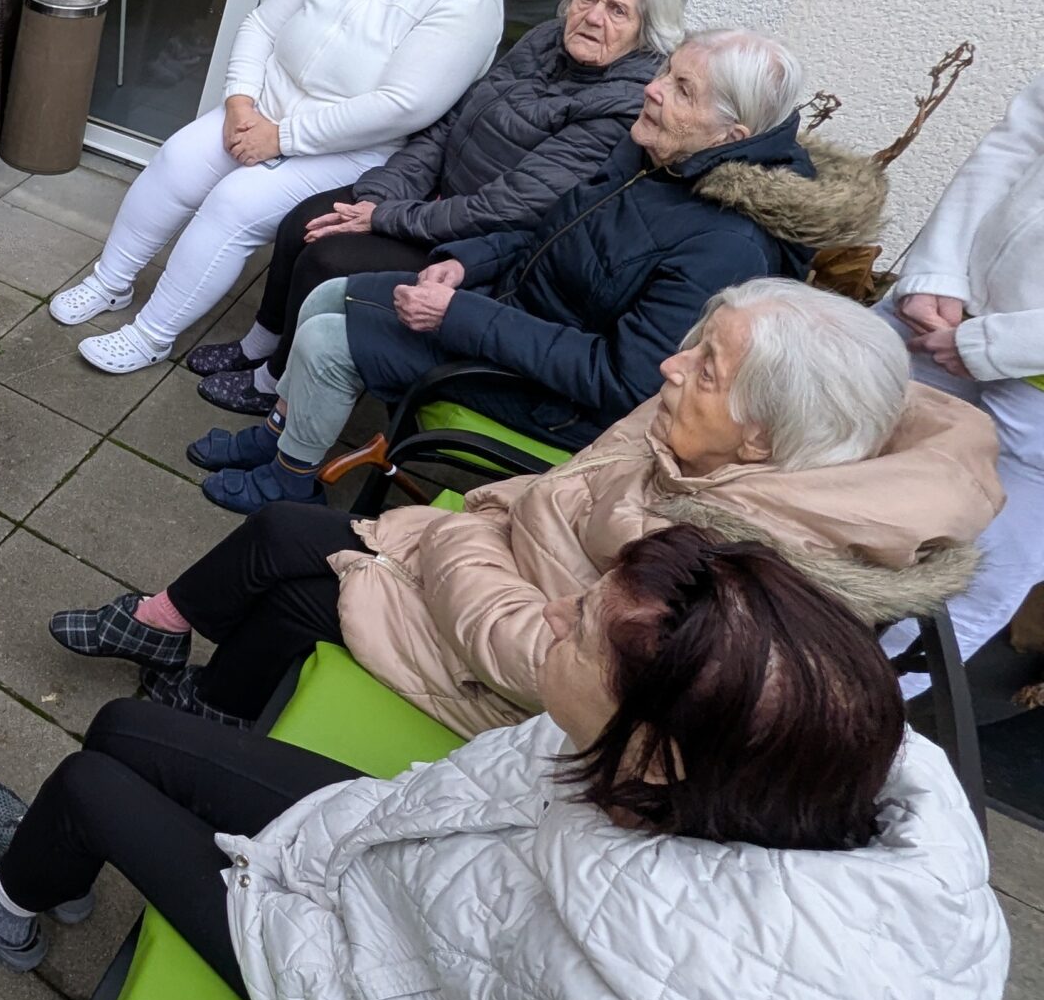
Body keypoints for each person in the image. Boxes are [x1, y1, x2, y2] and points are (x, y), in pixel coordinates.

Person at [0, 526, 1008, 1000]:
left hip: (370, 992)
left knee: (91, 783)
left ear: (658, 751)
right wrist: (328, 842)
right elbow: (470, 795)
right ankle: (55, 871)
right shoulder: (762, 759)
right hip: (406, 879)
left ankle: (12, 907)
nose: (553, 619)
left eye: (581, 631)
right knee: (125, 728)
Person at [59, 280, 1002, 729]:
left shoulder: (739, 568)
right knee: (281, 531)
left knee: (303, 594)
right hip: (491, 567)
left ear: (763, 439)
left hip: (507, 678)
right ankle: (167, 639)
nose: (672, 368)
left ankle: (203, 712)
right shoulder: (701, 438)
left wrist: (447, 542)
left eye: (706, 367)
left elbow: (546, 665)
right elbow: (557, 495)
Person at [192, 28, 880, 511]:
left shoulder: (728, 243)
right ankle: (280, 435)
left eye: (681, 88)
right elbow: (544, 229)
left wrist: (461, 315)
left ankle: (291, 479)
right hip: (511, 313)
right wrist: (463, 264)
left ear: (732, 136)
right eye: (666, 72)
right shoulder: (655, 161)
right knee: (329, 294)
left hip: (557, 400)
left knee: (327, 338)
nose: (652, 89)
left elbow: (623, 380)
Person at [52, 0, 508, 375]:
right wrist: (240, 100)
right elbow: (263, 24)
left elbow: (403, 105)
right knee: (177, 158)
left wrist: (282, 137)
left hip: (350, 149)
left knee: (234, 205)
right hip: (261, 110)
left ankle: (152, 335)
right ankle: (110, 282)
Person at [185, 0, 679, 416]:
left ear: (646, 31)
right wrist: (382, 192)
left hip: (484, 245)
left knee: (328, 257)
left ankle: (273, 383)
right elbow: (450, 125)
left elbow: (514, 204)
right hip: (433, 199)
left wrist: (386, 216)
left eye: (617, 10)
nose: (593, 16)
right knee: (304, 220)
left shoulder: (622, 102)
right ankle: (260, 343)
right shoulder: (544, 41)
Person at [884, 69, 1044, 668]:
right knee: (815, 468)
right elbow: (1016, 143)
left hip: (1032, 396)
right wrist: (937, 271)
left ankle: (850, 712)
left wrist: (997, 345)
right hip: (946, 314)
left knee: (966, 587)